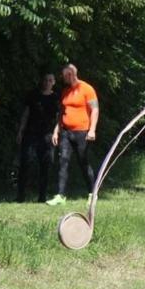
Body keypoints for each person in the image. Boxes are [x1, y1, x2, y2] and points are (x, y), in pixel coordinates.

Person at [46, 64, 98, 206]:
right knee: (63, 161)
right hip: (66, 132)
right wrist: (57, 130)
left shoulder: (87, 89)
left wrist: (92, 129)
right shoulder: (65, 91)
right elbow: (61, 113)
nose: (62, 78)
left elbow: (95, 109)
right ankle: (61, 196)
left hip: (82, 132)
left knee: (83, 163)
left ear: (70, 75)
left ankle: (92, 194)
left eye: (64, 76)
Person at [15, 72, 60, 203]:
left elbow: (59, 119)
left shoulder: (56, 98)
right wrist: (20, 131)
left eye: (50, 80)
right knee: (25, 162)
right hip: (31, 133)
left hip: (48, 135)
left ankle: (42, 196)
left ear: (54, 82)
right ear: (42, 81)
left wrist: (56, 133)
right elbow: (26, 114)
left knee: (45, 165)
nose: (47, 82)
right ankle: (20, 196)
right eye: (45, 80)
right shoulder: (33, 95)